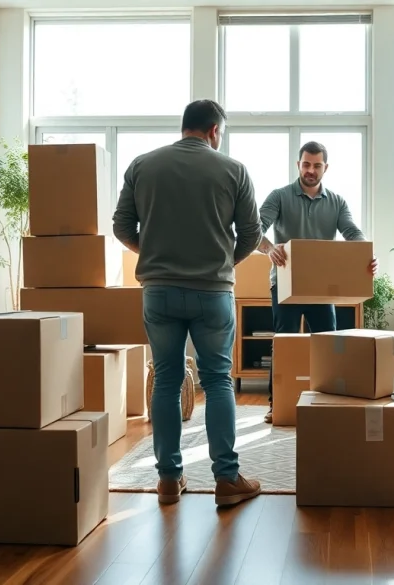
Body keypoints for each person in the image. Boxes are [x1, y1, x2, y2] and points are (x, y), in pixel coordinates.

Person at [112, 99, 264, 508]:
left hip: (158, 290)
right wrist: (222, 261)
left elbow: (121, 226)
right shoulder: (233, 170)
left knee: (166, 379)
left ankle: (167, 479)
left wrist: (155, 255)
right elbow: (252, 232)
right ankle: (226, 479)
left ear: (186, 127)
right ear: (215, 130)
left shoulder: (143, 165)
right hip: (213, 292)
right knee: (217, 381)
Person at [257, 141, 378, 424]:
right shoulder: (279, 196)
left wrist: (367, 258)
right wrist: (269, 248)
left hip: (321, 288)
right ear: (298, 164)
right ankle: (278, 403)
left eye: (317, 165)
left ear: (326, 167)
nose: (311, 170)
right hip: (285, 285)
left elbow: (353, 233)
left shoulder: (336, 202)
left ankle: (328, 399)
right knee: (284, 343)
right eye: (306, 164)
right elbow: (255, 230)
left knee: (328, 344)